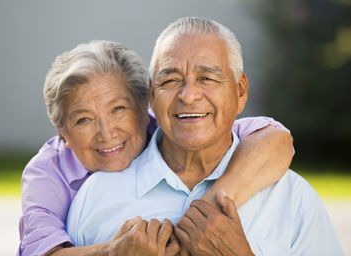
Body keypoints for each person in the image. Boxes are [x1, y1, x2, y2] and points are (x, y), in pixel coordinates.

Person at [66, 17, 343, 255]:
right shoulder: (96, 196)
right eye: (171, 80)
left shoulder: (293, 199)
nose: (188, 95)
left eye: (208, 78)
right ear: (152, 95)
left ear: (241, 91)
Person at [18, 40, 293, 256]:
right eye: (84, 120)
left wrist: (203, 211)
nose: (107, 132)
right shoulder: (47, 171)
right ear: (62, 131)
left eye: (118, 109)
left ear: (144, 107)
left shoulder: (169, 127)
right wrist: (114, 252)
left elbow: (275, 139)